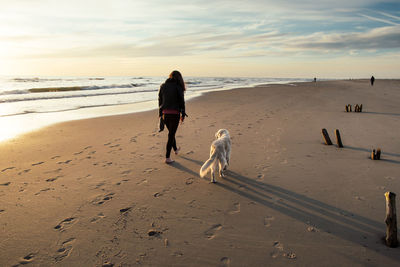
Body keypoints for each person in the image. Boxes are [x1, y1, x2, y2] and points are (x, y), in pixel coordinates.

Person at [158, 70, 187, 164]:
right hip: (175, 114)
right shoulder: (178, 87)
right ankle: (167, 158)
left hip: (165, 114)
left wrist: (160, 113)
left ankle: (175, 149)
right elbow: (182, 101)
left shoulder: (163, 86)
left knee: (171, 133)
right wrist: (183, 114)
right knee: (171, 135)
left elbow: (160, 100)